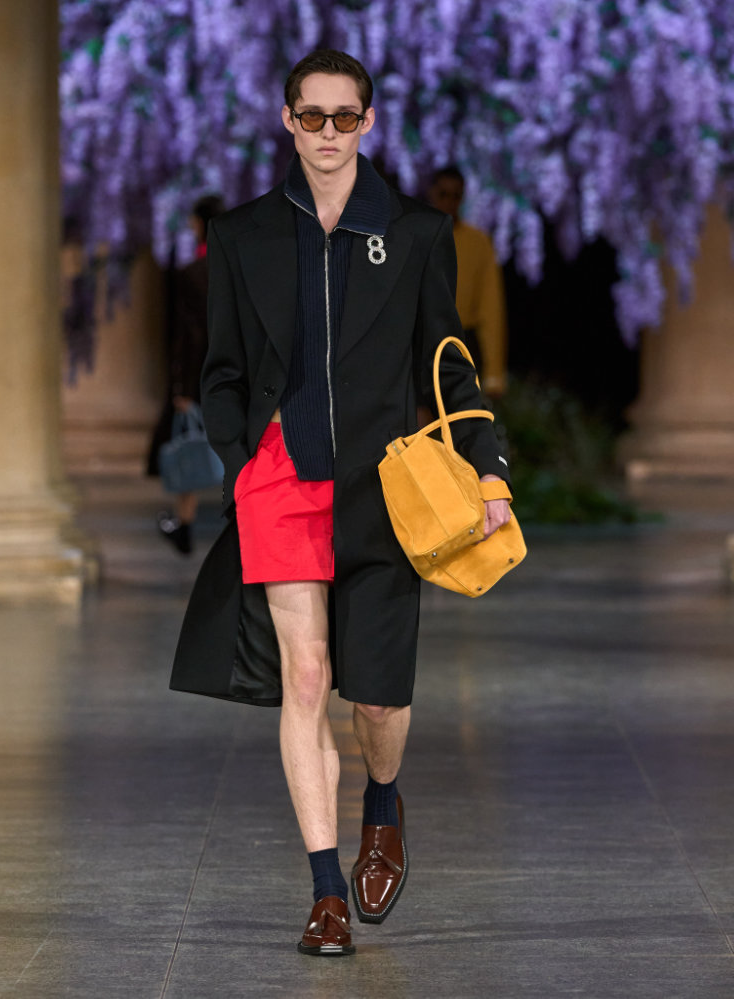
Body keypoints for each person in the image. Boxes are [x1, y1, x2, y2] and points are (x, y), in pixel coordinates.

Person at [170, 49, 512, 956]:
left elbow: (448, 363)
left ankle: (383, 801)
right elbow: (223, 369)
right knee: (306, 678)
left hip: (384, 492)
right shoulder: (241, 236)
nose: (327, 132)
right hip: (281, 482)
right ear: (288, 120)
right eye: (311, 116)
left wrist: (488, 468)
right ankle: (325, 891)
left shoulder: (416, 233)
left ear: (368, 122)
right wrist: (243, 461)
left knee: (380, 704)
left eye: (344, 116)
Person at [157, 195, 224, 554]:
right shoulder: (242, 270)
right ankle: (244, 527)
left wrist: (181, 387)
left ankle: (184, 524)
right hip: (238, 376)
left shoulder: (193, 274)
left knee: (189, 446)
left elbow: (187, 337)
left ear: (200, 225)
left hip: (201, 374)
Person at [427, 166, 508, 399]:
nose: (448, 202)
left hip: (463, 345)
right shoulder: (415, 236)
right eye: (443, 194)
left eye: (455, 196)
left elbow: (491, 309)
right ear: (431, 194)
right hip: (423, 342)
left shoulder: (478, 242)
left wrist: (494, 374)